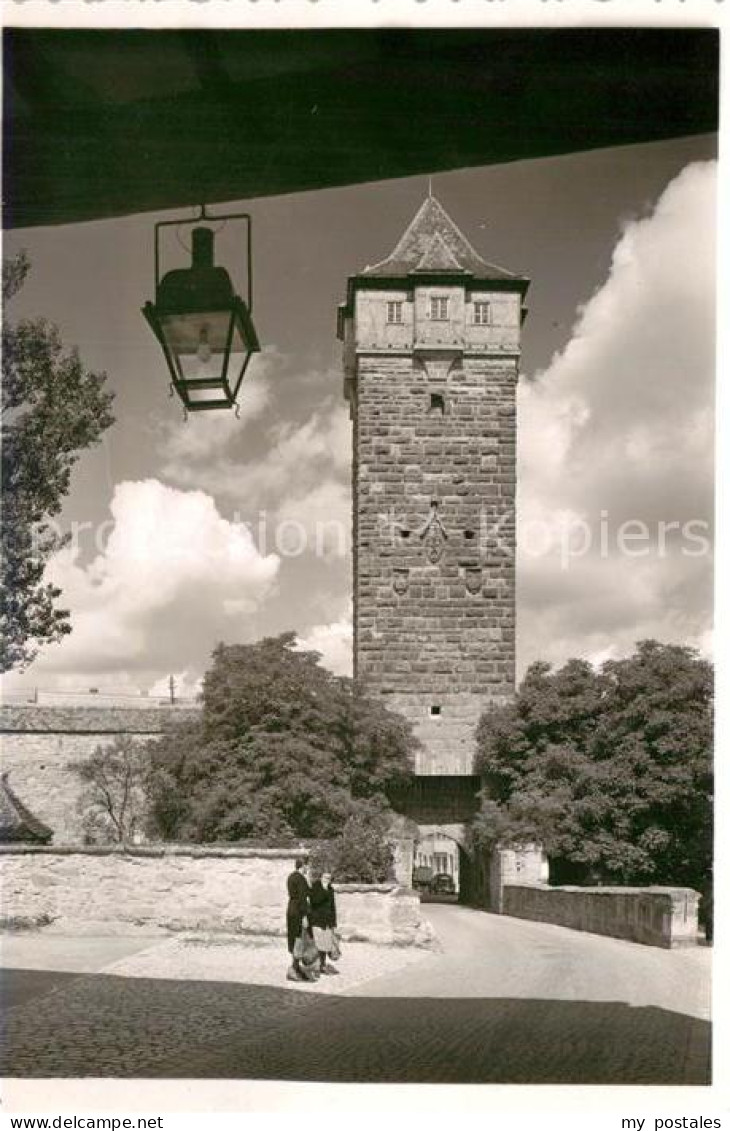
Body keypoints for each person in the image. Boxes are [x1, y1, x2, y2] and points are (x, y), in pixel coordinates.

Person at [286, 856, 316, 982]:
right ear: (303, 866)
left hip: (291, 909)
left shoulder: (291, 877)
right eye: (307, 866)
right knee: (300, 939)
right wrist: (304, 916)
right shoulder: (300, 879)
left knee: (295, 938)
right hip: (299, 911)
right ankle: (293, 968)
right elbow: (303, 898)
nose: (308, 869)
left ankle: (296, 968)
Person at [309, 870, 338, 974]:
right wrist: (324, 891)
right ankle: (316, 966)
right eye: (325, 877)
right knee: (318, 944)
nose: (327, 880)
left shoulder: (330, 889)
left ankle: (322, 965)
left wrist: (334, 922)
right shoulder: (315, 887)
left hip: (327, 921)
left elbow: (332, 907)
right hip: (317, 920)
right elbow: (314, 901)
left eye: (329, 878)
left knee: (326, 945)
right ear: (321, 878)